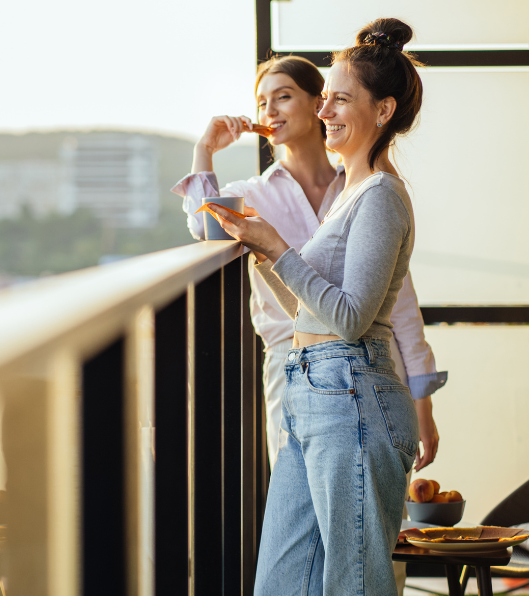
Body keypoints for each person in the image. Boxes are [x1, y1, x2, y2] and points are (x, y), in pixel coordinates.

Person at [205, 18, 428, 596]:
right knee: (280, 586)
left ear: (382, 111)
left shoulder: (380, 195)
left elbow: (352, 318)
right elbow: (313, 315)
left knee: (353, 587)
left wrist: (280, 249)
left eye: (340, 99)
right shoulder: (347, 194)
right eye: (324, 98)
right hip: (313, 395)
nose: (325, 110)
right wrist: (262, 253)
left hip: (354, 398)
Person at [172, 59, 445, 478]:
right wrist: (203, 150)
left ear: (319, 102)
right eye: (262, 103)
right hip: (292, 360)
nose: (271, 112)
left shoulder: (362, 187)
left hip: (371, 361)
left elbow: (401, 298)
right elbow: (202, 225)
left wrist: (421, 396)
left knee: (362, 514)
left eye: (283, 97)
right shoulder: (252, 194)